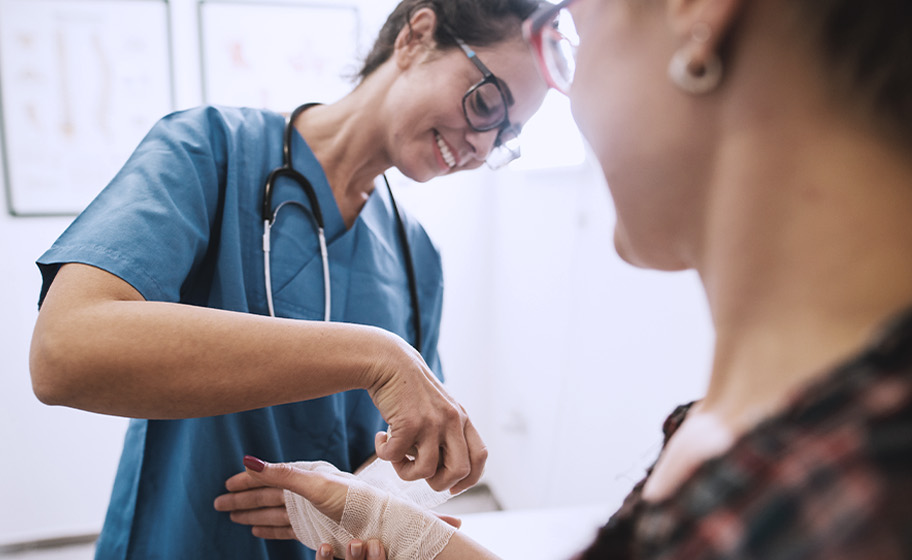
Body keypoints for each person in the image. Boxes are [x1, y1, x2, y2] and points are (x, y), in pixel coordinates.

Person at [233, 0, 912, 557]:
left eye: (578, 36)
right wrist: (400, 531)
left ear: (697, 14)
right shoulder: (752, 439)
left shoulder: (847, 495)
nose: (577, 91)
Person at [28, 0, 550, 557]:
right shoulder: (210, 149)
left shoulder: (415, 251)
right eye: (488, 103)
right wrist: (375, 355)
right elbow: (64, 353)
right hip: (184, 539)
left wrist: (363, 503)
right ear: (416, 37)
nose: (482, 144)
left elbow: (406, 451)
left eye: (506, 136)